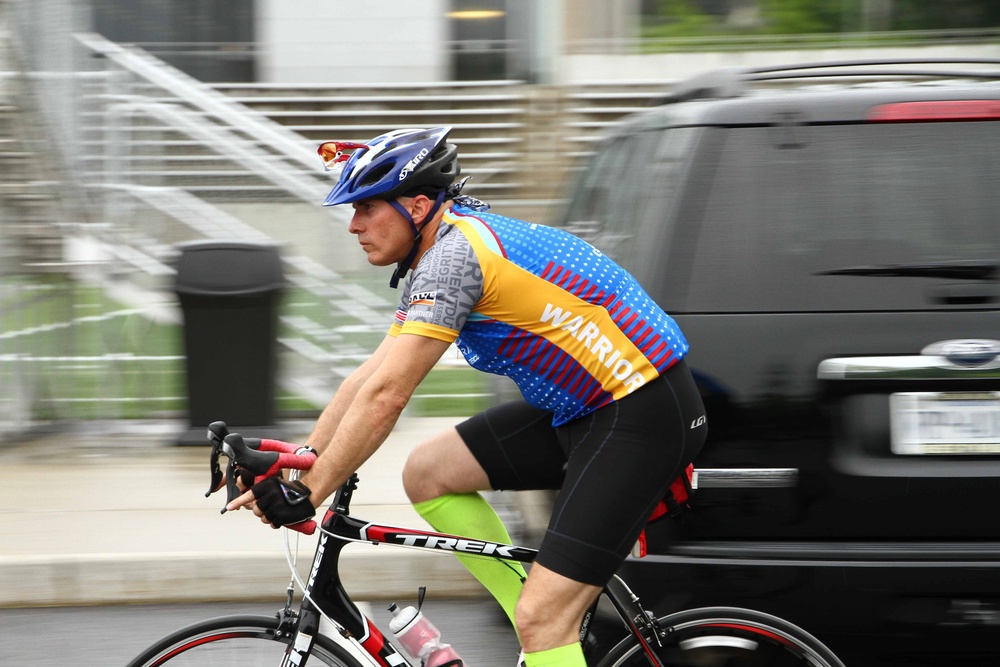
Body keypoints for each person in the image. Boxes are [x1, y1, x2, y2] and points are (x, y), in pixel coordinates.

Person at [228, 126, 707, 667]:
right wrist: (300, 462)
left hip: (641, 412)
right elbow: (368, 377)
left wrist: (312, 491)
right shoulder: (438, 251)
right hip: (587, 407)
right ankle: (549, 640)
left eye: (366, 207)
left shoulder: (455, 259)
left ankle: (548, 630)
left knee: (542, 620)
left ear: (417, 205)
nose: (354, 225)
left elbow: (389, 395)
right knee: (430, 473)